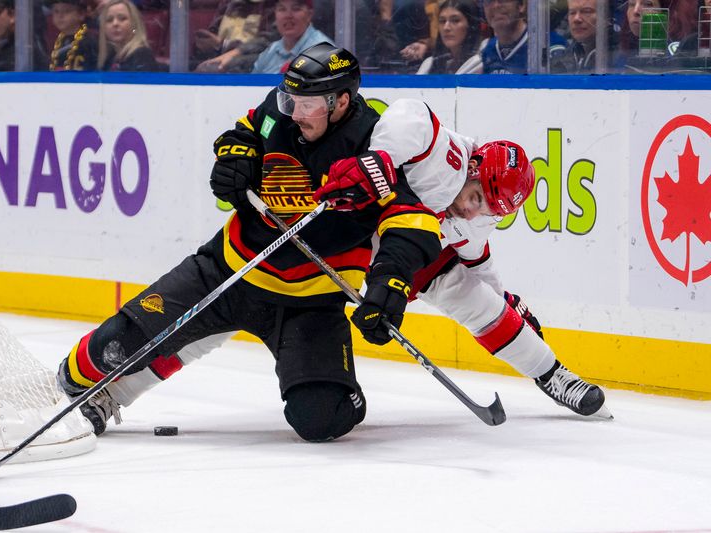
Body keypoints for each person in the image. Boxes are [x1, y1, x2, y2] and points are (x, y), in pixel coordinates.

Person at [56, 42, 442, 440]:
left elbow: (411, 221)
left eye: (306, 104)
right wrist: (233, 160)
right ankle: (63, 394)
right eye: (288, 99)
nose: (293, 112)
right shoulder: (280, 112)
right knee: (108, 348)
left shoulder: (372, 144)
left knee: (322, 419)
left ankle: (342, 393)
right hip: (228, 269)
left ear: (340, 101)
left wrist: (390, 282)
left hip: (311, 302)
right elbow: (242, 134)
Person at [314, 98, 608, 417]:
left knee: (477, 300)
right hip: (347, 220)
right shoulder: (445, 155)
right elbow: (411, 112)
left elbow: (476, 260)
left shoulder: (481, 216)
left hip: (398, 252)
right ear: (473, 167)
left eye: (487, 208)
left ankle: (551, 373)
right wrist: (380, 157)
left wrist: (505, 301)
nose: (472, 211)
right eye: (476, 196)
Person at [480, 0, 566, 74]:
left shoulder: (550, 45)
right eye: (488, 1)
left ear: (521, 5)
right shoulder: (486, 50)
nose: (496, 6)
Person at [250, 0, 333, 73]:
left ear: (309, 14)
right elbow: (251, 86)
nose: (288, 15)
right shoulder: (271, 51)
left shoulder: (323, 51)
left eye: (296, 9)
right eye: (282, 9)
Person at [416, 0, 483, 74]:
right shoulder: (429, 64)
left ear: (471, 25)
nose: (446, 27)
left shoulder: (480, 62)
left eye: (455, 20)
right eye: (442, 21)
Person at [97, 0, 161, 71]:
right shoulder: (110, 57)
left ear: (134, 24)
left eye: (122, 18)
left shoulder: (142, 55)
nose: (115, 23)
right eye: (109, 20)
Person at [47, 0, 98, 71]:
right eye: (56, 11)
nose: (60, 16)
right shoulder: (56, 41)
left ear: (81, 15)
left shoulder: (90, 42)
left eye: (67, 11)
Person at [551, 0, 599, 73]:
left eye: (586, 11)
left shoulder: (618, 60)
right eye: (572, 13)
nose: (576, 19)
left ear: (607, 16)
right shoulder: (561, 60)